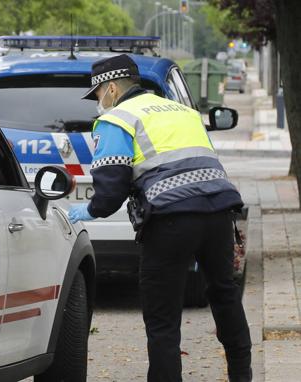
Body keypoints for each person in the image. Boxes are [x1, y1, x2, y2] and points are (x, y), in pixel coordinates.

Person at [68, 54, 252, 382]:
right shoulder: (184, 112)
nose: (98, 102)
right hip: (219, 213)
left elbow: (110, 192)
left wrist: (87, 211)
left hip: (171, 220)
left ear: (110, 88)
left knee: (163, 320)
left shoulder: (117, 119)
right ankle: (242, 375)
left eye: (97, 94)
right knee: (225, 296)